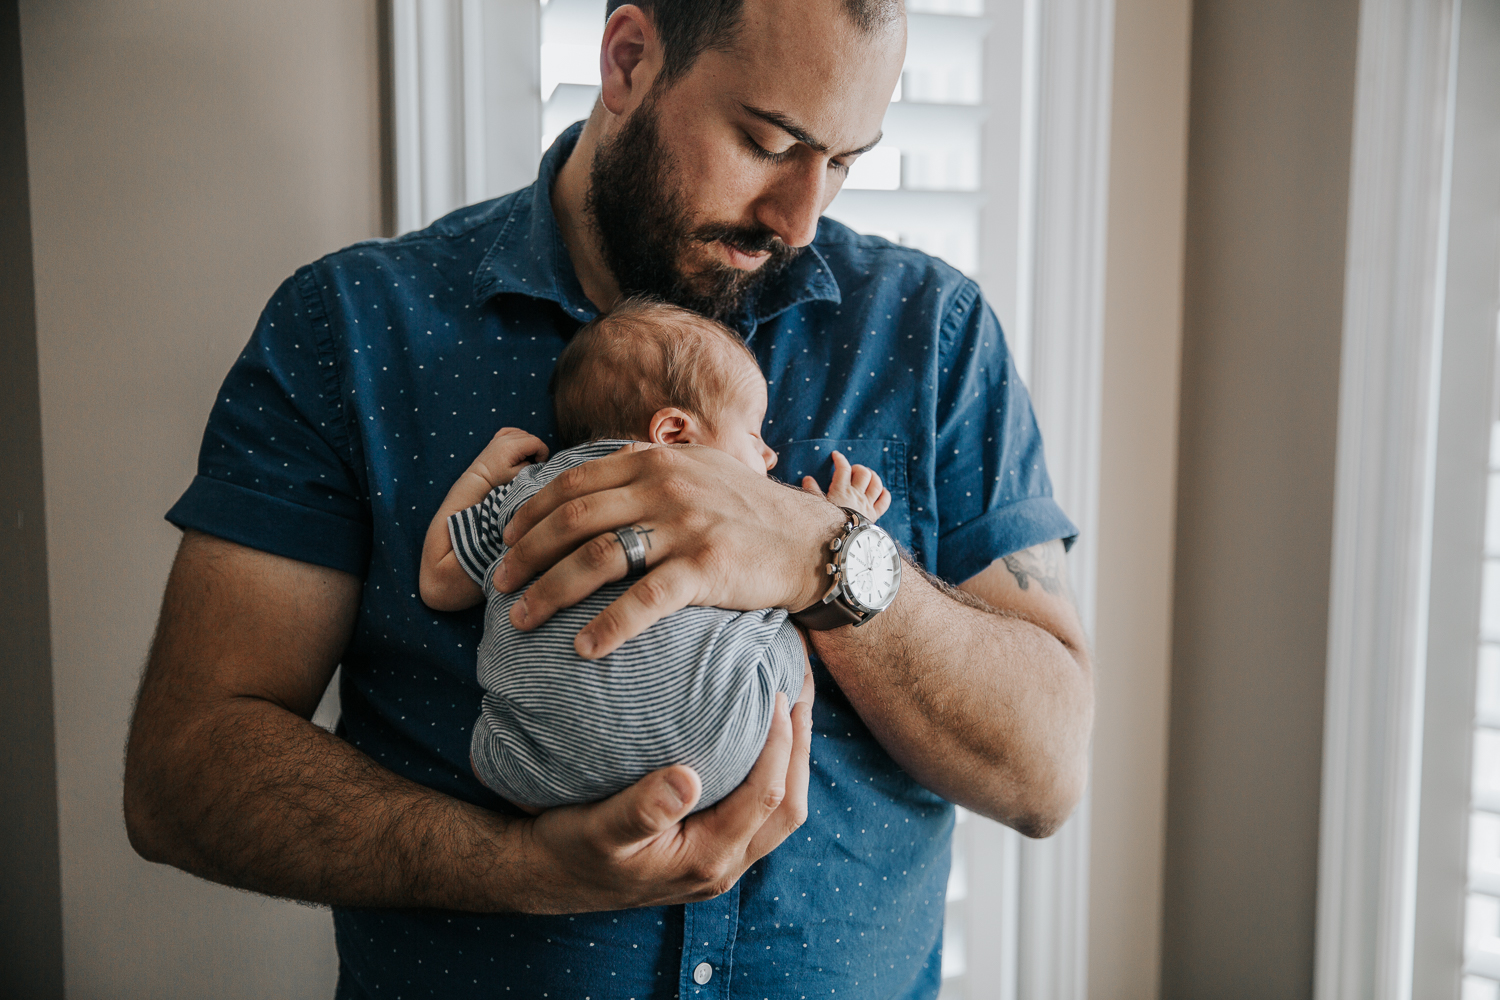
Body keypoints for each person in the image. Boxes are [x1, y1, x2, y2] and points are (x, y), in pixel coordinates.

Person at [123, 1, 1094, 997]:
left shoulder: (931, 338)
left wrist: (822, 554)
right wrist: (517, 871)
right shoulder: (355, 330)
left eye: (843, 161)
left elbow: (1046, 764)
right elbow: (185, 769)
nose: (802, 218)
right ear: (629, 59)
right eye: (768, 142)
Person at [420, 298, 890, 813]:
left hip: (528, 767)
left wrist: (484, 476)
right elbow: (808, 574)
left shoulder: (531, 493)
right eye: (755, 434)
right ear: (673, 434)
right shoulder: (744, 514)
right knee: (786, 605)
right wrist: (844, 525)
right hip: (714, 755)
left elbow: (440, 583)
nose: (772, 456)